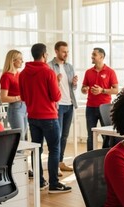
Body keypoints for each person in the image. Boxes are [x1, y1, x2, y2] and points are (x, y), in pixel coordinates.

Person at [19, 43, 72, 193]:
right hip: (49, 117)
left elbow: (23, 96)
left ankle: (40, 181)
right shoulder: (48, 73)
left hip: (33, 117)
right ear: (44, 55)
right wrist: (57, 81)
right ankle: (54, 184)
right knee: (55, 149)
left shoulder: (23, 74)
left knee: (37, 150)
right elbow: (56, 96)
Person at [48, 41, 78, 174]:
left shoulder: (69, 67)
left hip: (69, 104)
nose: (66, 54)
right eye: (63, 51)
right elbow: (47, 88)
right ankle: (54, 166)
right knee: (57, 136)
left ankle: (60, 162)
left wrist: (74, 83)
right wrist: (56, 81)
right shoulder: (49, 67)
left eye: (67, 51)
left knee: (64, 136)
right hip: (57, 105)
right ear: (56, 51)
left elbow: (73, 88)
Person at [81, 47, 118, 151]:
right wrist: (85, 89)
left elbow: (116, 90)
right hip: (90, 108)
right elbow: (83, 88)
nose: (92, 57)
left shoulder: (110, 72)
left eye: (94, 55)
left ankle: (105, 157)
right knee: (90, 136)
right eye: (92, 54)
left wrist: (102, 90)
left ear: (101, 57)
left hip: (105, 109)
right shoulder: (88, 72)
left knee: (107, 135)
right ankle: (90, 159)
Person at [0, 50, 27, 141]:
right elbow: (3, 98)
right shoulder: (6, 77)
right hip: (15, 109)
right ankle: (17, 155)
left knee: (23, 136)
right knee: (20, 137)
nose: (22, 61)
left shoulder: (20, 75)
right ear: (13, 60)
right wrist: (19, 97)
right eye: (20, 59)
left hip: (24, 107)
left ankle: (20, 155)